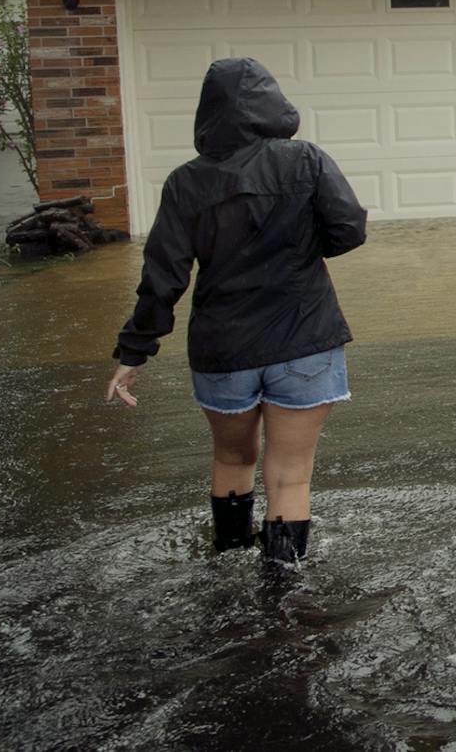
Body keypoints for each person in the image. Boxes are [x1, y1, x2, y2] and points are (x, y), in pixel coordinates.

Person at [108, 57, 367, 570]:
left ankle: (226, 563)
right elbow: (349, 230)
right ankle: (281, 588)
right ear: (273, 104)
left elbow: (164, 276)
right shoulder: (306, 161)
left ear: (207, 114)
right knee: (290, 473)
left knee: (232, 457)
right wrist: (299, 250)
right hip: (305, 340)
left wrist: (133, 351)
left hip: (223, 348)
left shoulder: (185, 183)